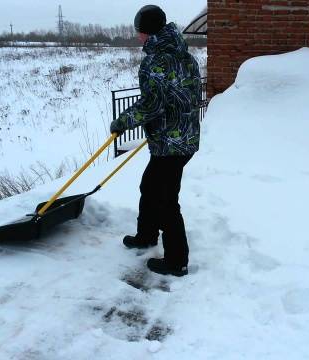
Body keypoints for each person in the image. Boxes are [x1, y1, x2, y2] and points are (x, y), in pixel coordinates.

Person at [110, 5, 201, 277]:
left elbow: (152, 104)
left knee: (164, 200)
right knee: (150, 186)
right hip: (182, 137)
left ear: (147, 31)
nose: (137, 35)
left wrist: (123, 122)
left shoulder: (157, 60)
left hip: (170, 142)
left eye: (139, 30)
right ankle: (146, 235)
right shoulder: (184, 55)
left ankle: (176, 261)